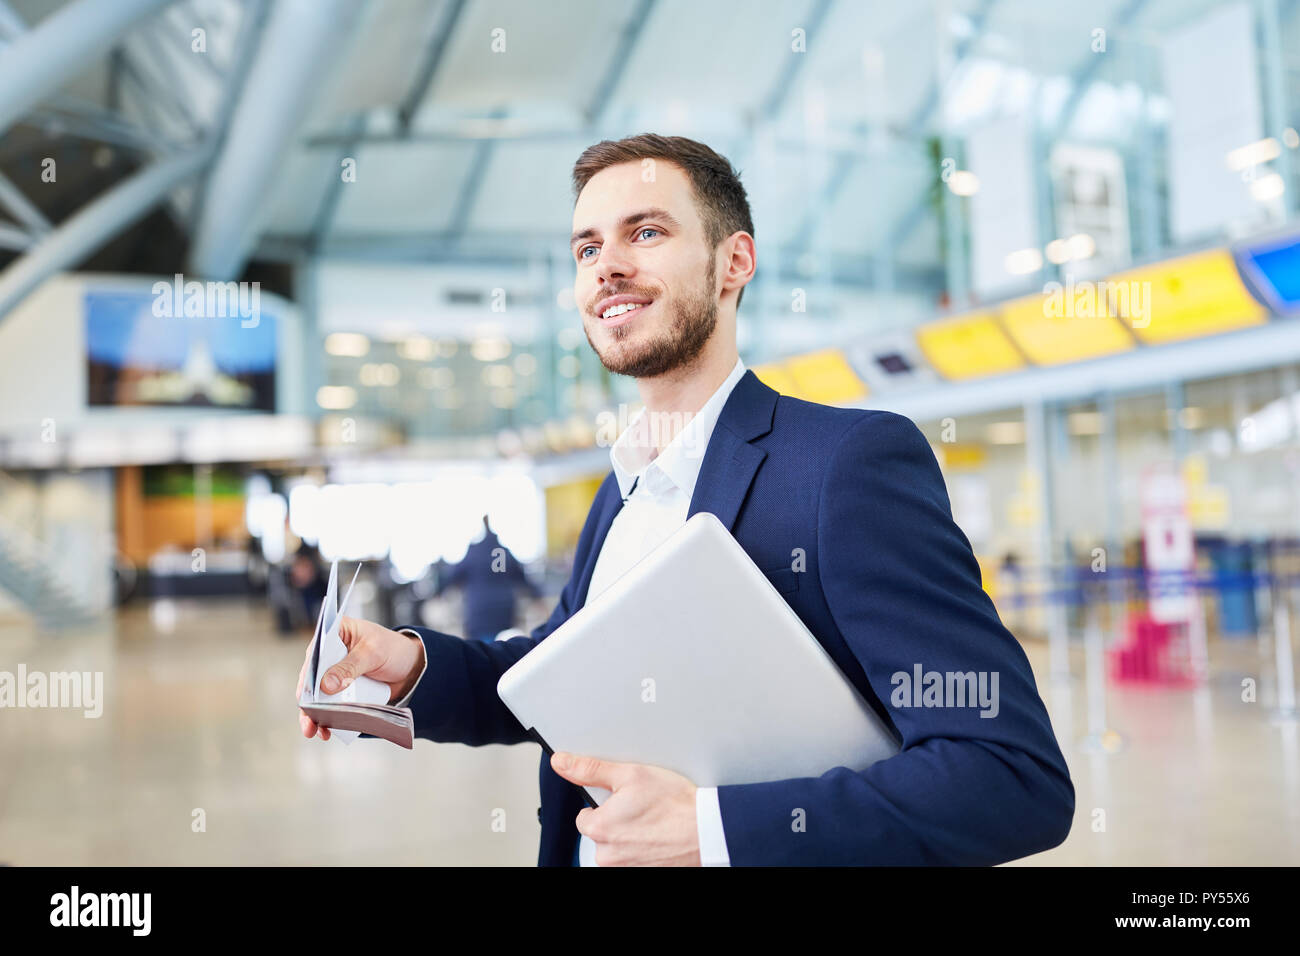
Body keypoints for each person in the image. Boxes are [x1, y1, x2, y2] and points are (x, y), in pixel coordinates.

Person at [298, 134, 1075, 867]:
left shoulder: (844, 465)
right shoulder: (623, 488)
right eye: (587, 247)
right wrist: (406, 666)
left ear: (734, 261)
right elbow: (558, 675)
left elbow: (1009, 775)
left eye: (645, 233)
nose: (606, 266)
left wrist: (713, 829)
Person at [435, 515, 540, 642]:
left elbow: (453, 577)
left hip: (479, 612)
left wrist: (438, 591)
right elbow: (523, 579)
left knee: (482, 652)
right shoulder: (503, 552)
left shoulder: (474, 552)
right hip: (504, 612)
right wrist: (538, 595)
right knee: (503, 648)